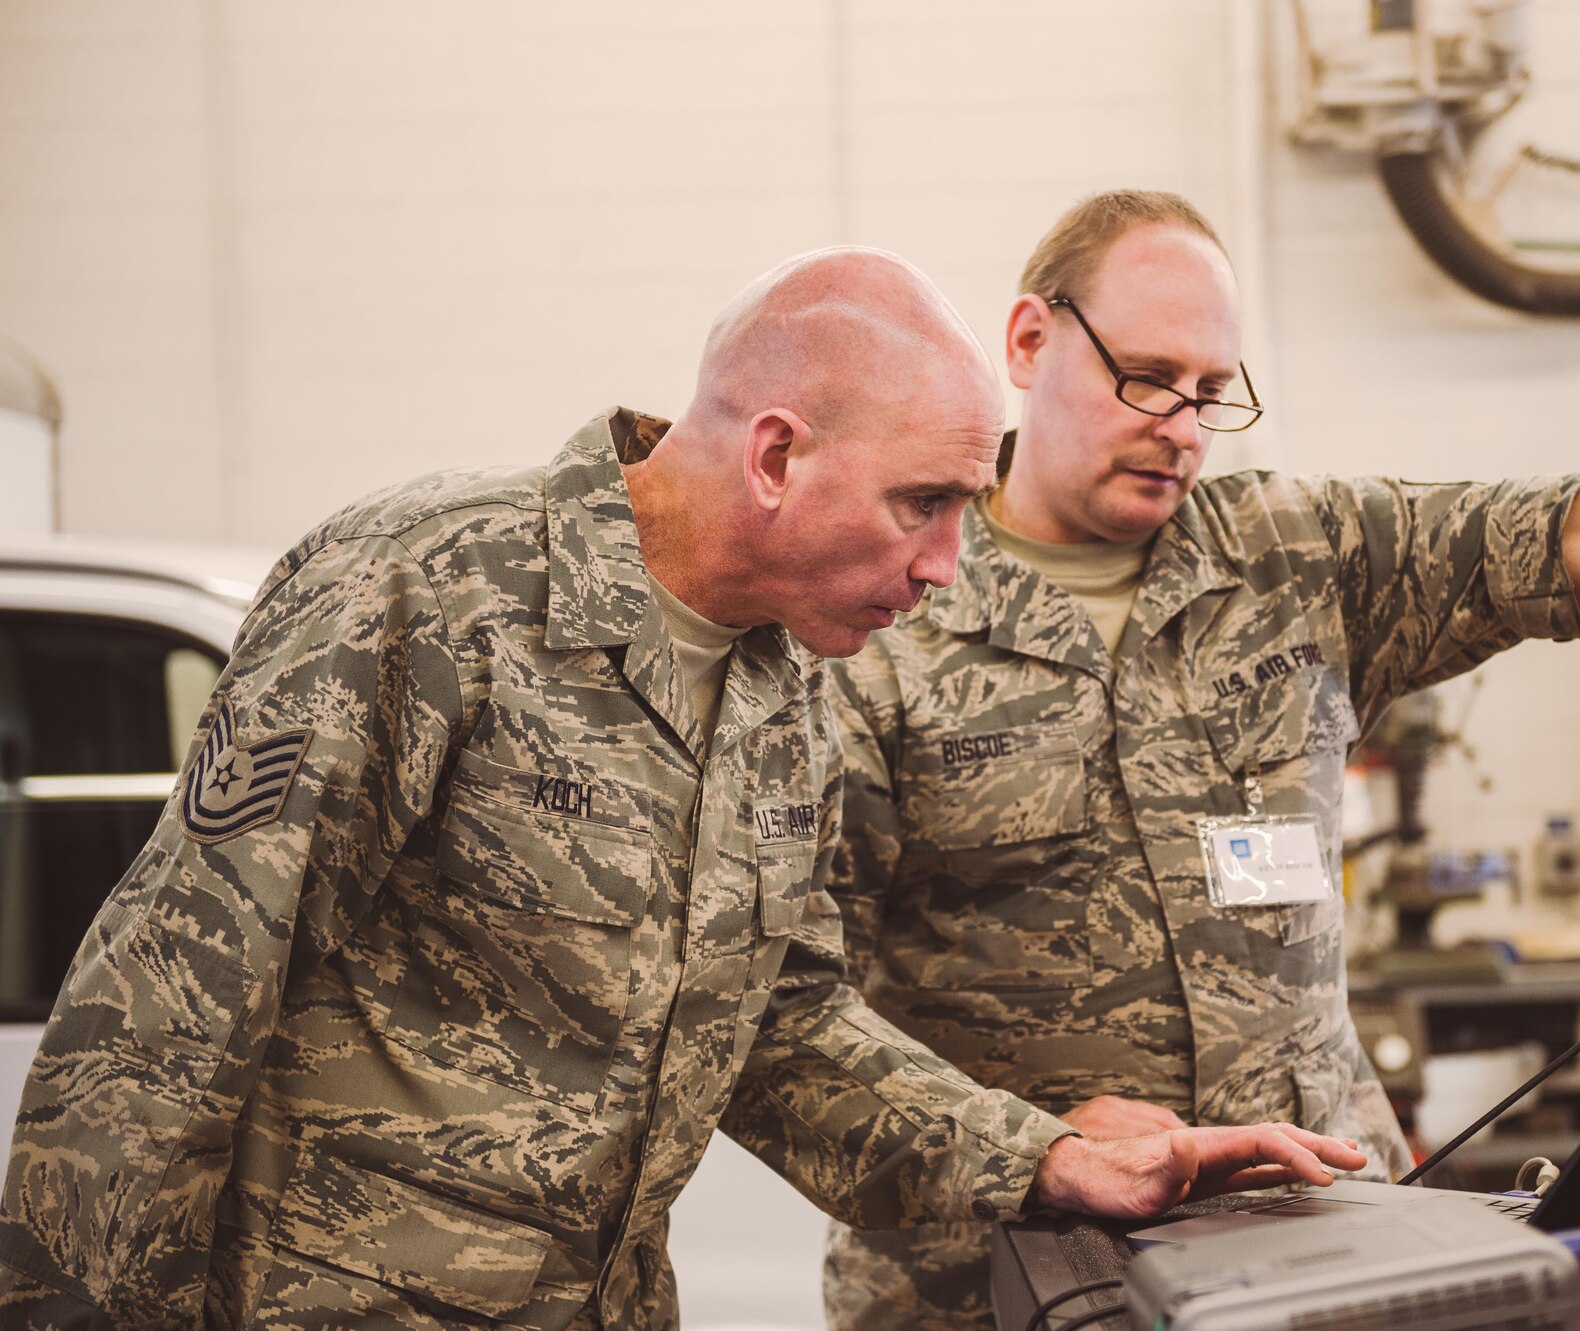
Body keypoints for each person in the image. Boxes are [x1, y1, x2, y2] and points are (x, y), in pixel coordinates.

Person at [0, 247, 1366, 1331]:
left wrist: (1045, 1155)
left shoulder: (787, 690)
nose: (953, 563)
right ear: (775, 456)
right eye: (924, 504)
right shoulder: (431, 589)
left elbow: (782, 1028)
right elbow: (165, 1006)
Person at [808, 191, 1580, 1330]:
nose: (1179, 421)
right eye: (1146, 376)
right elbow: (791, 1007)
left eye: (1210, 390)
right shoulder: (878, 610)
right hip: (994, 1270)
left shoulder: (1296, 556)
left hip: (1324, 1233)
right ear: (1028, 337)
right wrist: (1036, 1141)